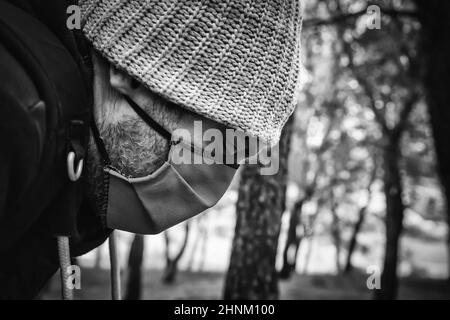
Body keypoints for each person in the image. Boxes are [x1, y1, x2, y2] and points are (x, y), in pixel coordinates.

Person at [0, 0, 302, 299]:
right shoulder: (14, 116)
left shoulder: (70, 154)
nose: (208, 189)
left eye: (233, 154)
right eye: (206, 145)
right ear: (128, 75)